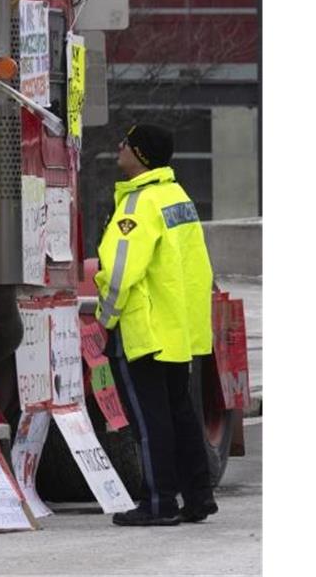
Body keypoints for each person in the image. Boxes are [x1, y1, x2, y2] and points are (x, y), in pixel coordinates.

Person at [95, 123, 217, 526]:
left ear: (141, 155)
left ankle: (159, 503)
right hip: (176, 329)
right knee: (180, 414)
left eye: (127, 143)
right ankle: (198, 497)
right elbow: (197, 270)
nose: (119, 147)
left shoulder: (139, 204)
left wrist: (106, 317)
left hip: (143, 331)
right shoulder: (177, 198)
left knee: (151, 421)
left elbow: (118, 271)